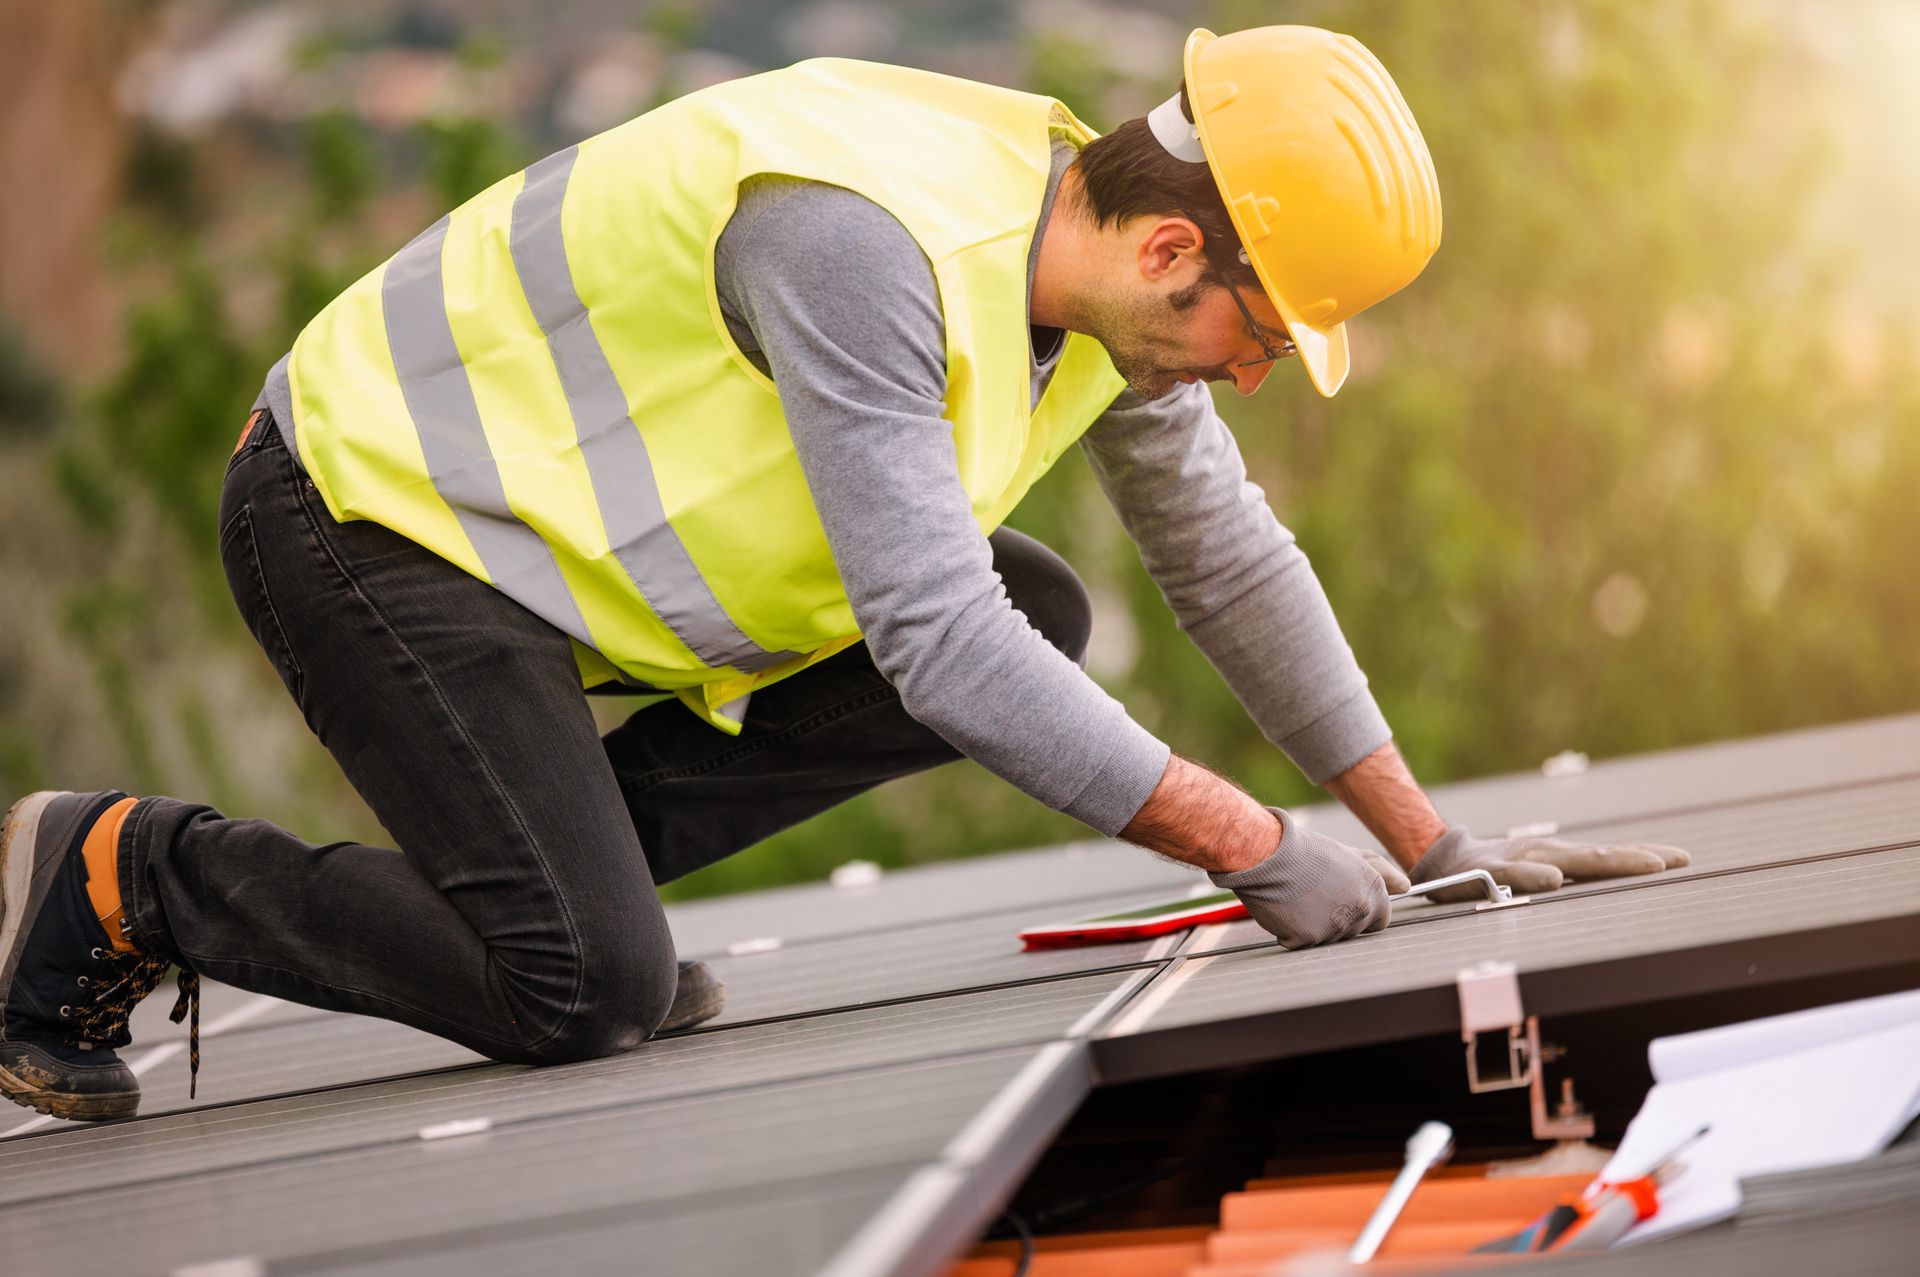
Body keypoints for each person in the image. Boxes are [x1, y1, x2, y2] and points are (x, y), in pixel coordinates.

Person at [0, 26, 1686, 1123]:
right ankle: (129, 872)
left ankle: (574, 891)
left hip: (531, 559)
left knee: (1047, 610)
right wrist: (1252, 843)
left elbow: (1228, 558)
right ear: (1177, 249)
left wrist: (1432, 842)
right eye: (1263, 333)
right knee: (580, 988)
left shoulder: (1096, 296)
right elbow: (931, 643)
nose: (1255, 375)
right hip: (369, 509)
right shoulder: (865, 243)